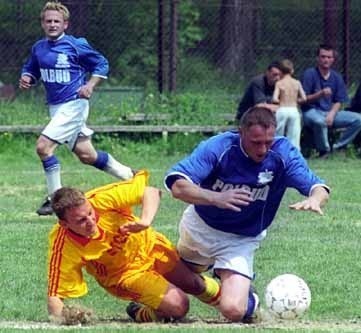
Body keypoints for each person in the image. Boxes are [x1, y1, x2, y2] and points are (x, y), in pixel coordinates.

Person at [164, 106, 329, 323]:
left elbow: (318, 186)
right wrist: (216, 198)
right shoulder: (218, 147)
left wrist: (315, 199)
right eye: (256, 142)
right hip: (201, 228)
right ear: (241, 132)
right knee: (176, 292)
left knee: (233, 310)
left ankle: (248, 297)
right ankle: (208, 281)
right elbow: (178, 186)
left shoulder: (283, 153)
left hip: (242, 239)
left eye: (268, 142)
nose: (262, 149)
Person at [47, 170, 221, 325]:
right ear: (64, 224)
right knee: (179, 306)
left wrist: (145, 221)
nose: (90, 221)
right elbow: (55, 294)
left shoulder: (101, 199)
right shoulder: (64, 245)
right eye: (81, 220)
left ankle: (243, 304)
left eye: (90, 213)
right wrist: (64, 318)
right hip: (125, 275)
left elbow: (151, 192)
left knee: (195, 284)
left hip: (150, 246)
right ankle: (140, 312)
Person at [19, 1, 133, 216]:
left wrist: (90, 85)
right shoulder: (39, 48)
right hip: (55, 108)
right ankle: (133, 177)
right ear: (42, 24)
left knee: (43, 147)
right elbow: (31, 68)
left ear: (65, 24)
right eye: (48, 21)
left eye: (56, 21)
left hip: (74, 105)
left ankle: (55, 200)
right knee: (86, 155)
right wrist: (27, 77)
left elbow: (102, 63)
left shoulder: (75, 45)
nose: (52, 24)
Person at [301, 44, 361, 158]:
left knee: (358, 120)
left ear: (333, 60)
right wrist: (320, 94)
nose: (326, 60)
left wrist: (332, 114)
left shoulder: (336, 77)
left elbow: (339, 101)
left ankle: (338, 147)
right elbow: (303, 99)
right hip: (311, 111)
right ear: (317, 58)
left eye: (329, 57)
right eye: (323, 57)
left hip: (330, 112)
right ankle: (324, 151)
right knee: (319, 121)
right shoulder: (309, 74)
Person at [272, 59, 307, 149]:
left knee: (278, 134)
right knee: (294, 136)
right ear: (292, 71)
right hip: (294, 110)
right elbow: (304, 98)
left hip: (282, 109)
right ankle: (293, 155)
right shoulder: (297, 83)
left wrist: (282, 100)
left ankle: (276, 151)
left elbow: (274, 99)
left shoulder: (279, 83)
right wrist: (295, 100)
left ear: (280, 71)